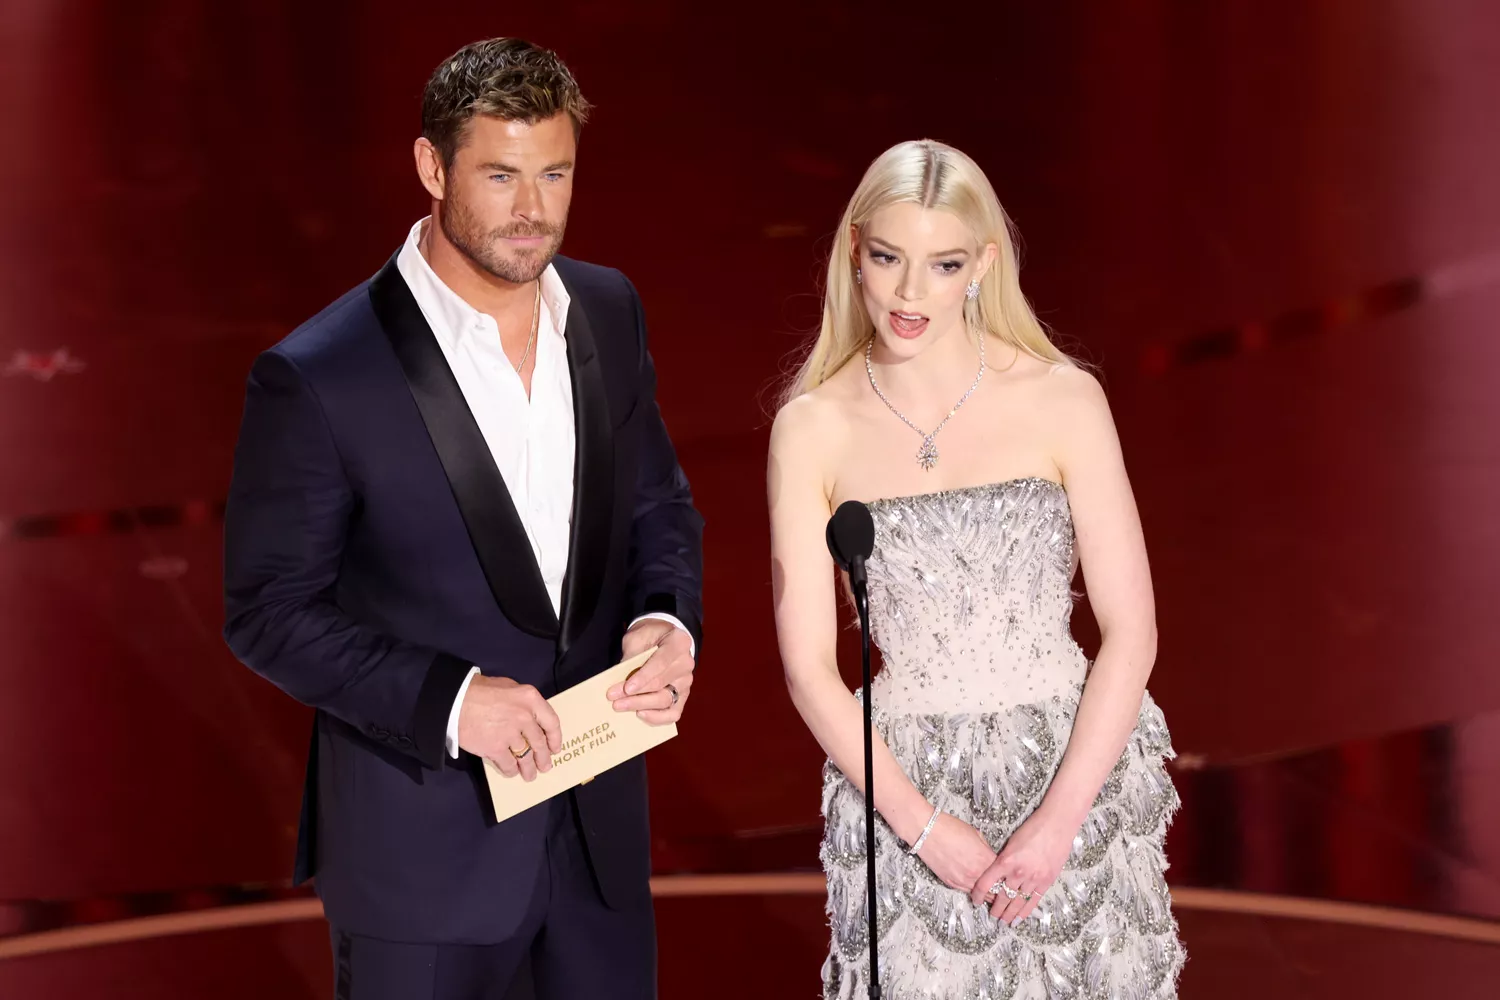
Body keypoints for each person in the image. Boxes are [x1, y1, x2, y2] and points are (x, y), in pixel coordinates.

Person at [222, 38, 703, 1000]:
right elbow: (268, 609)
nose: (533, 210)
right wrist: (450, 700)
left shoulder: (607, 311)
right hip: (422, 870)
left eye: (553, 173)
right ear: (432, 167)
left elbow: (658, 505)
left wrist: (665, 617)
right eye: (499, 174)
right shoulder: (322, 375)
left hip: (597, 851)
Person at [768, 139, 1183, 998]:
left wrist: (1057, 826)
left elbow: (1132, 630)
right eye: (888, 257)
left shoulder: (1063, 399)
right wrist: (923, 830)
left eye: (943, 263)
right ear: (856, 252)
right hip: (905, 785)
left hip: (1076, 777)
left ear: (983, 266)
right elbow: (810, 668)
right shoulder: (812, 427)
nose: (911, 292)